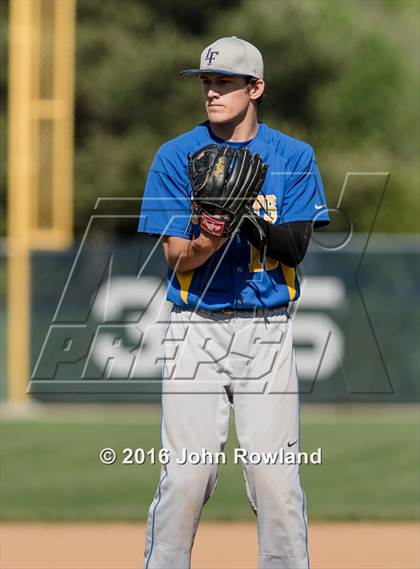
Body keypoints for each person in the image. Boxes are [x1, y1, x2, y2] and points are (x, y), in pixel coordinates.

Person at [138, 36, 330, 569]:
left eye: (225, 82)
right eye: (207, 82)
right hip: (195, 327)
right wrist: (212, 234)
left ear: (256, 88)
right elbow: (178, 258)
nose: (213, 91)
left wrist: (243, 215)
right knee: (185, 477)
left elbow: (294, 246)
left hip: (267, 331)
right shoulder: (176, 156)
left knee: (275, 480)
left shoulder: (293, 155)